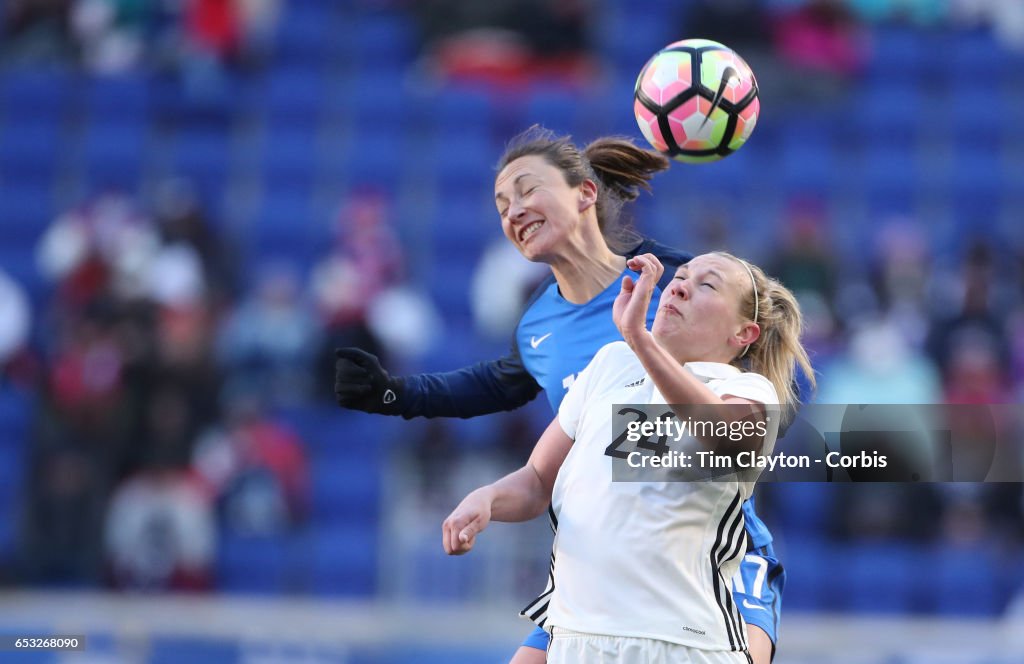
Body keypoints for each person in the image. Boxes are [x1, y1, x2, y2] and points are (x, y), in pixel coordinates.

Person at [334, 127, 784, 663]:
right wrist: (393, 394)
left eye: (527, 190)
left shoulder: (665, 281)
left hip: (700, 550)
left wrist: (641, 425)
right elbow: (489, 389)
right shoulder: (544, 326)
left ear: (585, 193)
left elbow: (751, 406)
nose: (513, 210)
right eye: (502, 204)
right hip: (597, 569)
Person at [442, 251, 815, 662]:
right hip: (576, 638)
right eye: (681, 276)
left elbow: (722, 432)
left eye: (707, 284)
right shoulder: (610, 365)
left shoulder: (746, 391)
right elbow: (536, 480)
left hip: (680, 646)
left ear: (744, 334)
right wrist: (488, 499)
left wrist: (639, 338)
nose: (679, 284)